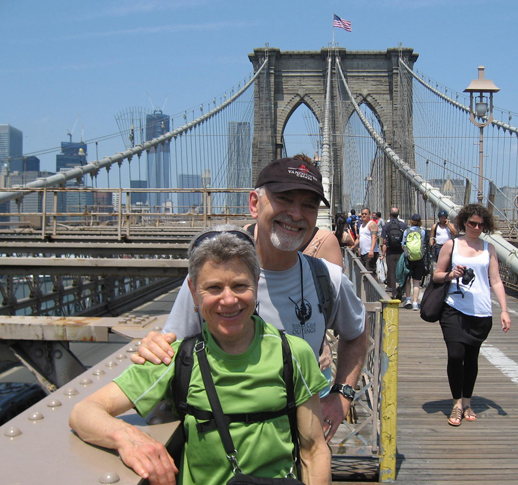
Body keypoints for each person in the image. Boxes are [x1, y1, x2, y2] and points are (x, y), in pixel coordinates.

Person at [69, 228, 331, 485]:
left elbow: (314, 450)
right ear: (194, 292)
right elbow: (84, 412)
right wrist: (127, 438)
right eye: (214, 288)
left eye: (240, 286)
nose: (229, 300)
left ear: (256, 285)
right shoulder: (176, 359)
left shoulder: (293, 354)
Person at [132, 156, 368, 442]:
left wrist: (341, 395)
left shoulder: (328, 279)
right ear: (254, 203)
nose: (296, 214)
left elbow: (356, 333)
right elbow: (173, 348)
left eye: (308, 205)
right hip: (222, 451)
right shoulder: (212, 283)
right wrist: (154, 345)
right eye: (284, 198)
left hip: (301, 450)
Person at [432, 204, 511, 427]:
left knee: (472, 358)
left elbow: (495, 281)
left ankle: (467, 401)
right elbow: (437, 276)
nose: (476, 227)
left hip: (481, 312)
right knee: (456, 355)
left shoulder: (489, 248)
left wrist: (504, 310)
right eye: (471, 223)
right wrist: (450, 274)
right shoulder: (452, 245)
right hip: (453, 308)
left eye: (480, 224)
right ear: (463, 222)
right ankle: (456, 402)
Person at [401, 214, 426, 310]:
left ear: (411, 221)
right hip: (419, 259)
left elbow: (403, 244)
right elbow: (423, 244)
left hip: (408, 258)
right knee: (416, 282)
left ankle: (408, 299)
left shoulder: (406, 231)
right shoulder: (422, 231)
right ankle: (415, 303)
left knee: (408, 279)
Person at [381, 207, 407, 299]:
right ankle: (401, 289)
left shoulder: (386, 226)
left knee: (392, 273)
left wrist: (383, 254)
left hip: (390, 252)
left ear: (389, 214)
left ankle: (394, 293)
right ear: (398, 214)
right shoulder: (403, 225)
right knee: (401, 272)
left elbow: (384, 242)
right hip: (401, 252)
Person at [353, 208, 379, 273]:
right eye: (362, 214)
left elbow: (374, 237)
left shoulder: (372, 224)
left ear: (369, 215)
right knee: (365, 273)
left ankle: (376, 283)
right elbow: (359, 238)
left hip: (370, 253)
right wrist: (353, 247)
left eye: (365, 214)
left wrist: (371, 250)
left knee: (370, 273)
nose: (364, 215)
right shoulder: (361, 226)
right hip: (363, 253)